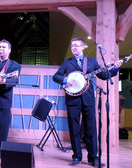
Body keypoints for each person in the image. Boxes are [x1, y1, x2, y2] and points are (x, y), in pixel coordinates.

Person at [53, 37, 123, 167]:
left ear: (83, 47)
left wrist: (115, 69)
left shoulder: (91, 61)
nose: (74, 47)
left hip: (88, 99)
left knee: (91, 128)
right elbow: (56, 76)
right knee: (74, 129)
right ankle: (77, 156)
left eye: (77, 45)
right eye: (72, 46)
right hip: (72, 99)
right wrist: (65, 80)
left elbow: (103, 75)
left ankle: (93, 158)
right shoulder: (67, 63)